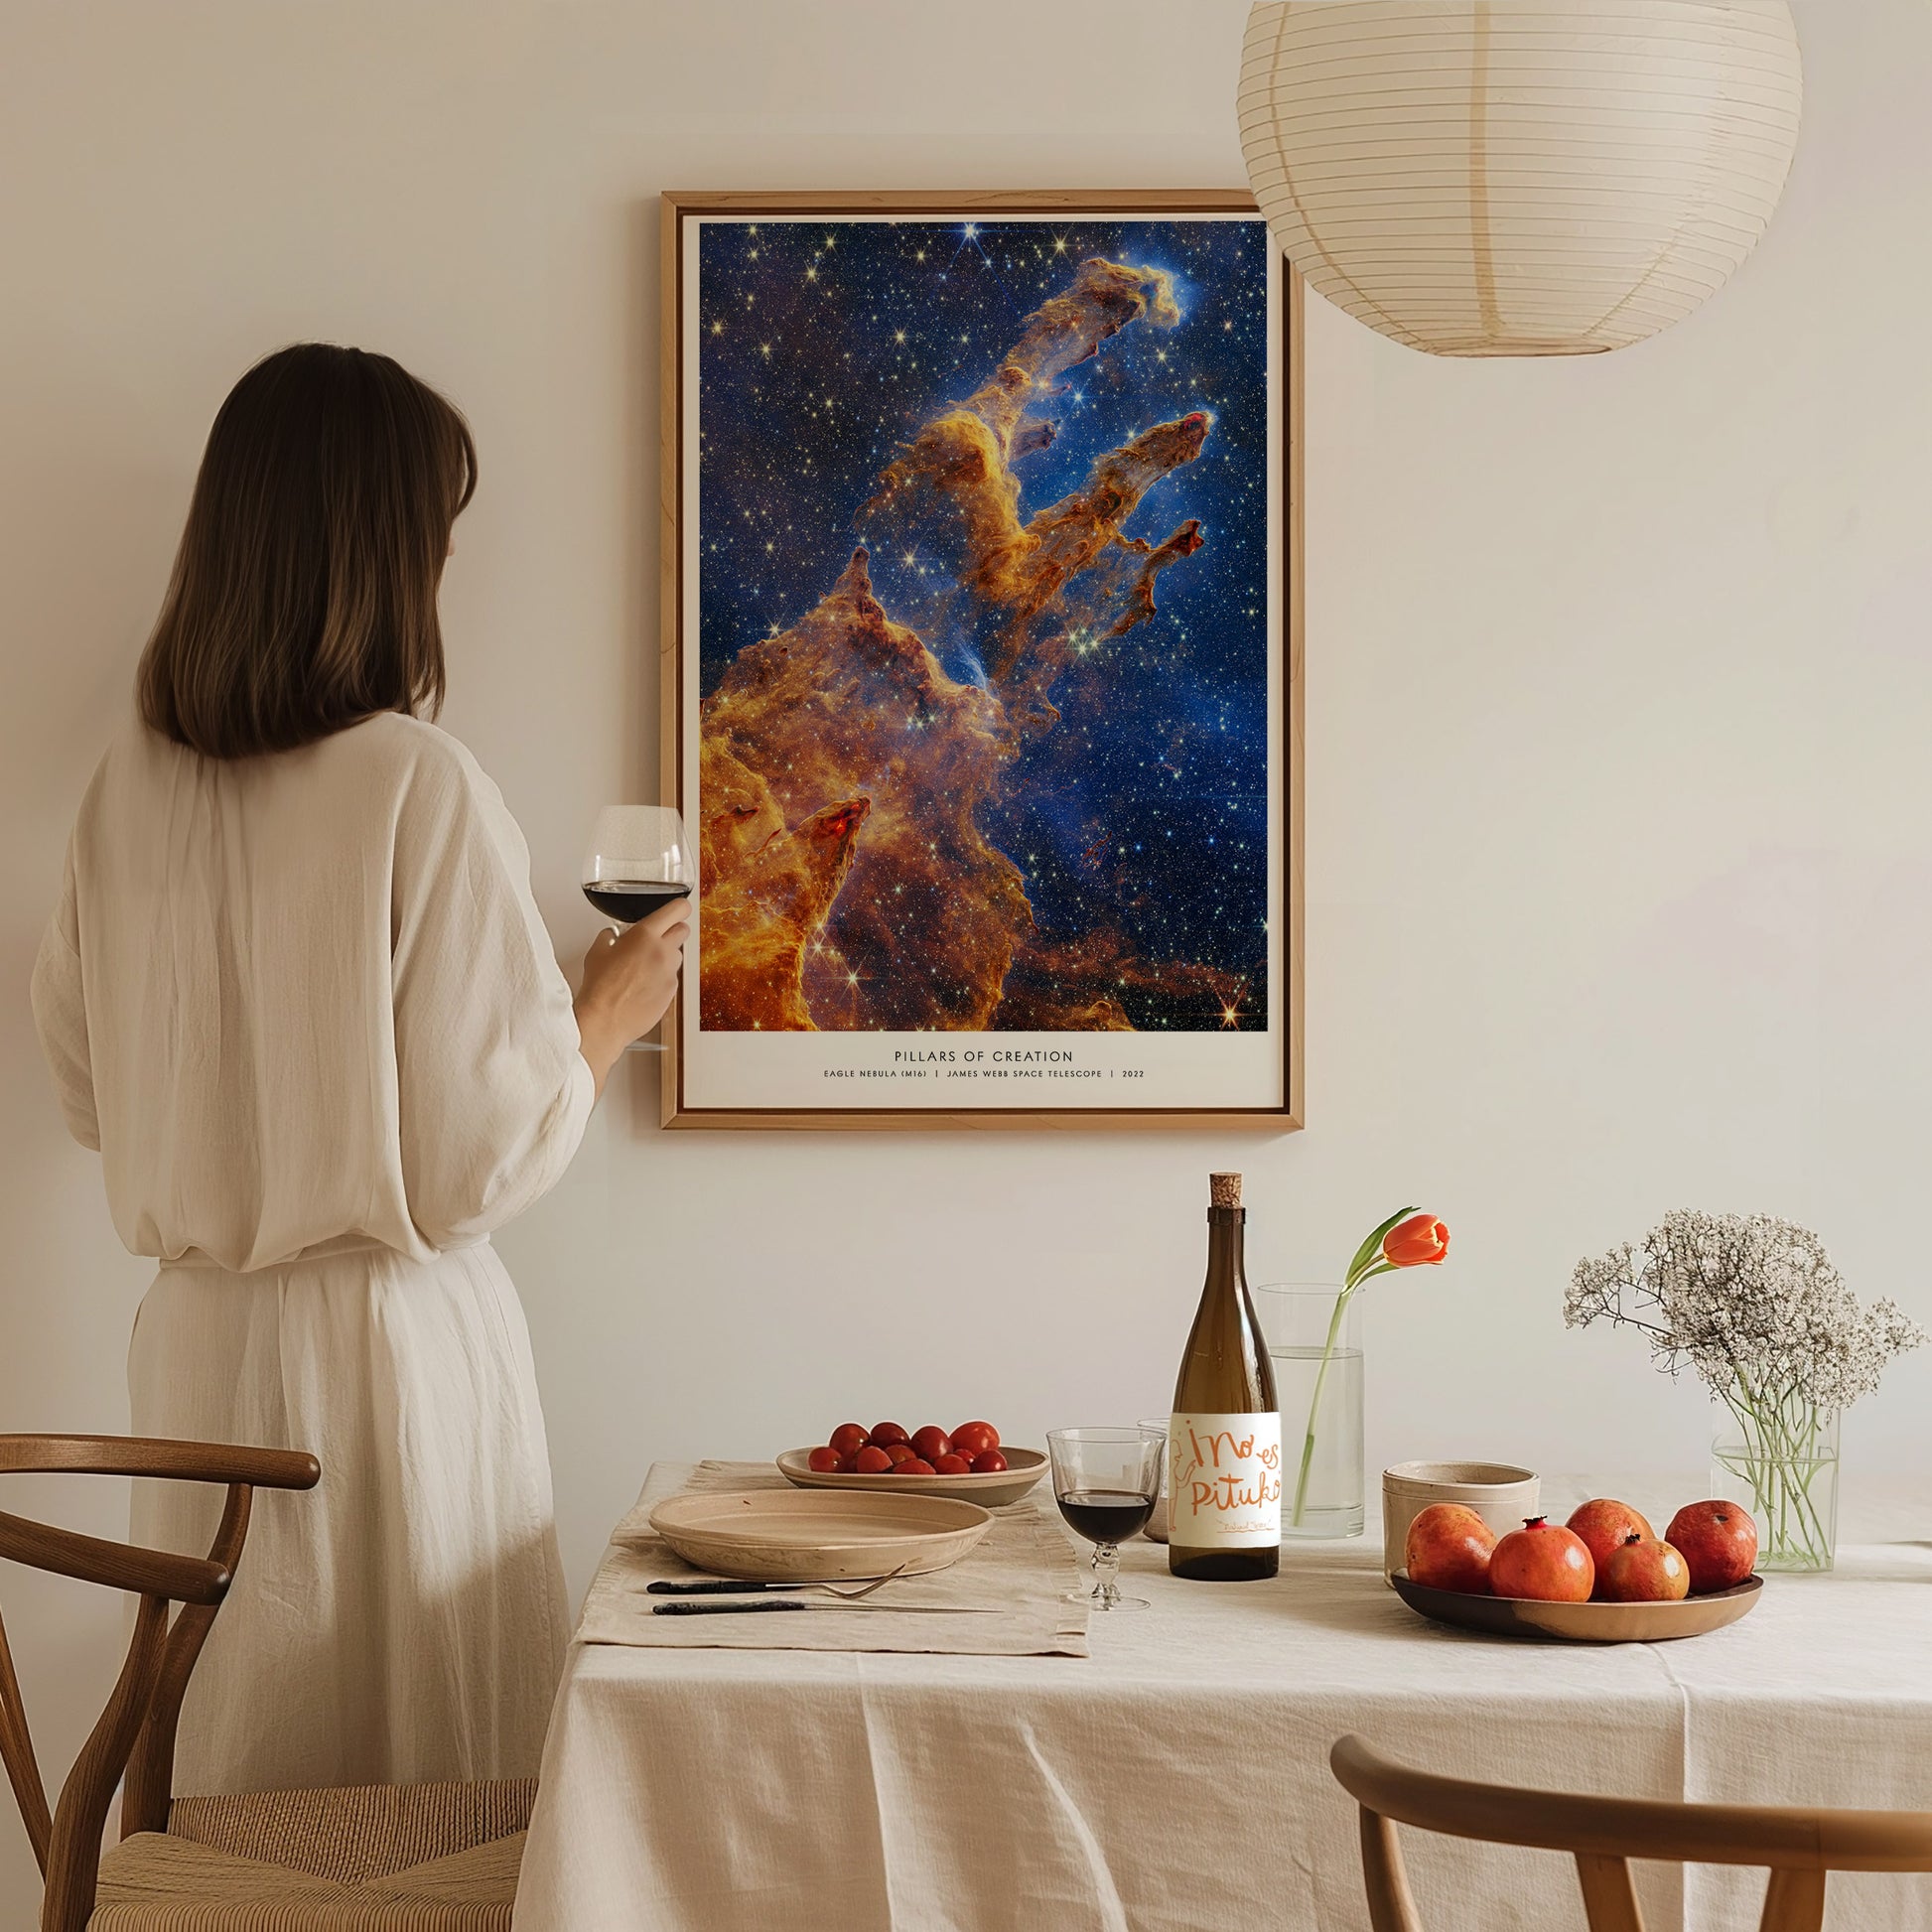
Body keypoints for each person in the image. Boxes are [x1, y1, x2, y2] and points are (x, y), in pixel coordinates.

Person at [29, 343, 685, 1793]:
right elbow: (471, 1164)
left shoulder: (121, 791)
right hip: (388, 1362)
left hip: (196, 1351)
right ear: (385, 552)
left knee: (239, 1777)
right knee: (420, 1798)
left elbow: (87, 1093)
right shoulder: (414, 779)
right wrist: (602, 1011)